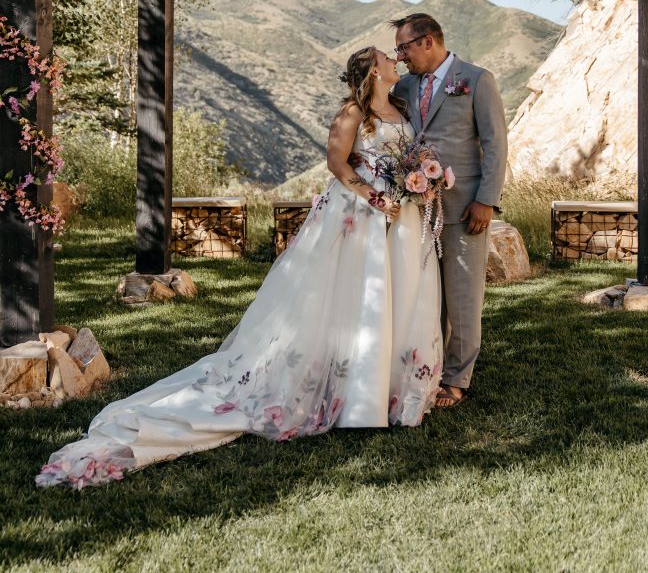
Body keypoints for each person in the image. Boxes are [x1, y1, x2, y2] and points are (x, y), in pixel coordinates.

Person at [37, 47, 442, 490]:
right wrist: (373, 194)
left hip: (398, 219)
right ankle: (349, 394)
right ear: (372, 72)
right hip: (360, 215)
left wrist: (419, 180)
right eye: (387, 58)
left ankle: (388, 389)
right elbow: (336, 163)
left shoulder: (399, 106)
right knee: (351, 299)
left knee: (391, 298)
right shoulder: (351, 113)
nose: (394, 61)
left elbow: (404, 156)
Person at [391, 14, 507, 409]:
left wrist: (486, 200)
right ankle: (429, 367)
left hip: (465, 207)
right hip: (415, 207)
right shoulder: (404, 85)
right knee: (426, 293)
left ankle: (458, 378)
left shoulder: (476, 80)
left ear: (427, 42)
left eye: (404, 48)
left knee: (462, 294)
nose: (400, 56)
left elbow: (495, 144)